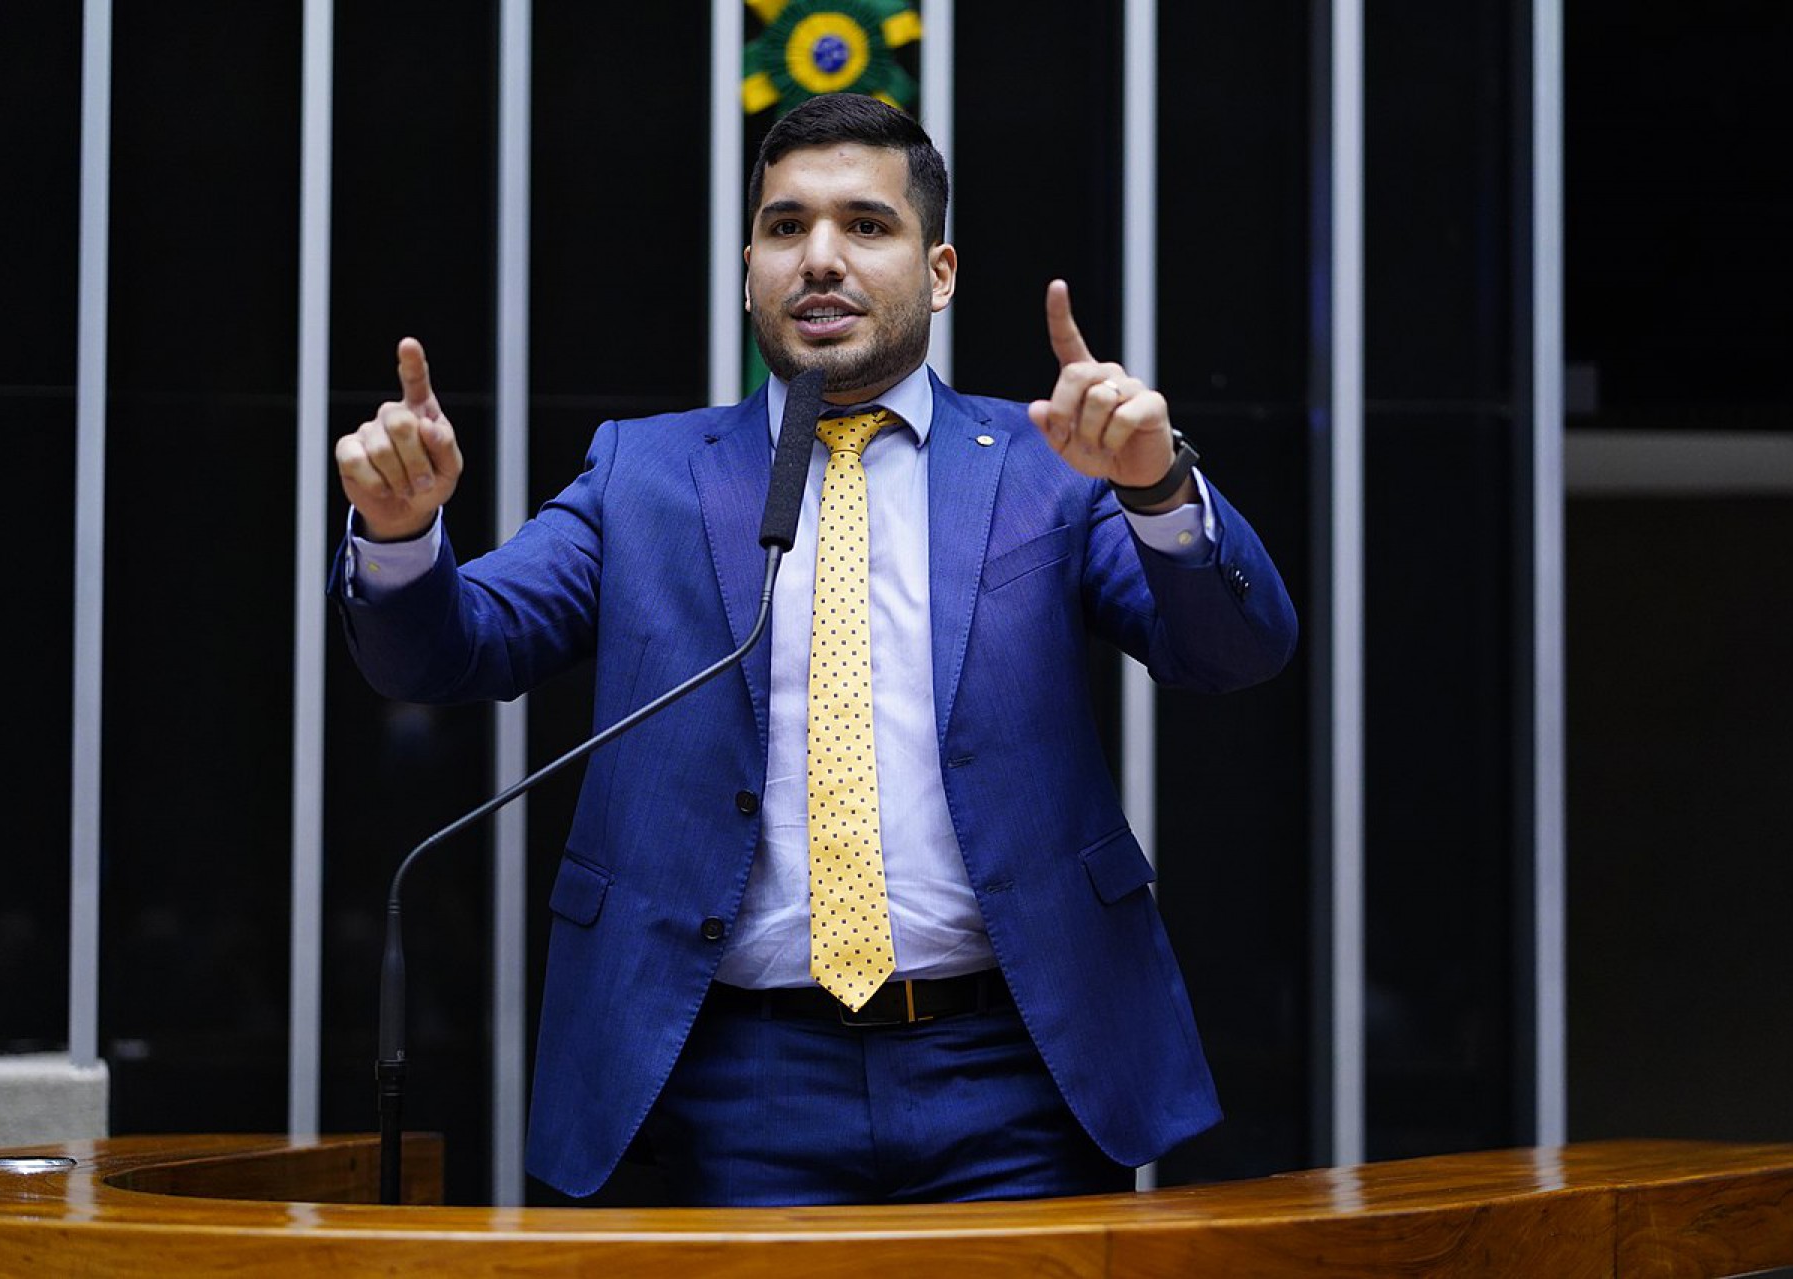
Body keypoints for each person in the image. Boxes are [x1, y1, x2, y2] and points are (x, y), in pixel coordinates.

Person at [332, 93, 1296, 1206]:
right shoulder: (645, 475)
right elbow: (455, 651)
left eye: (865, 226)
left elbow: (1235, 653)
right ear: (750, 266)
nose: (820, 259)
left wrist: (1158, 490)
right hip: (741, 1074)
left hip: (1018, 1063)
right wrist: (400, 541)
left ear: (938, 272)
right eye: (786, 228)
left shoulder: (1045, 467)